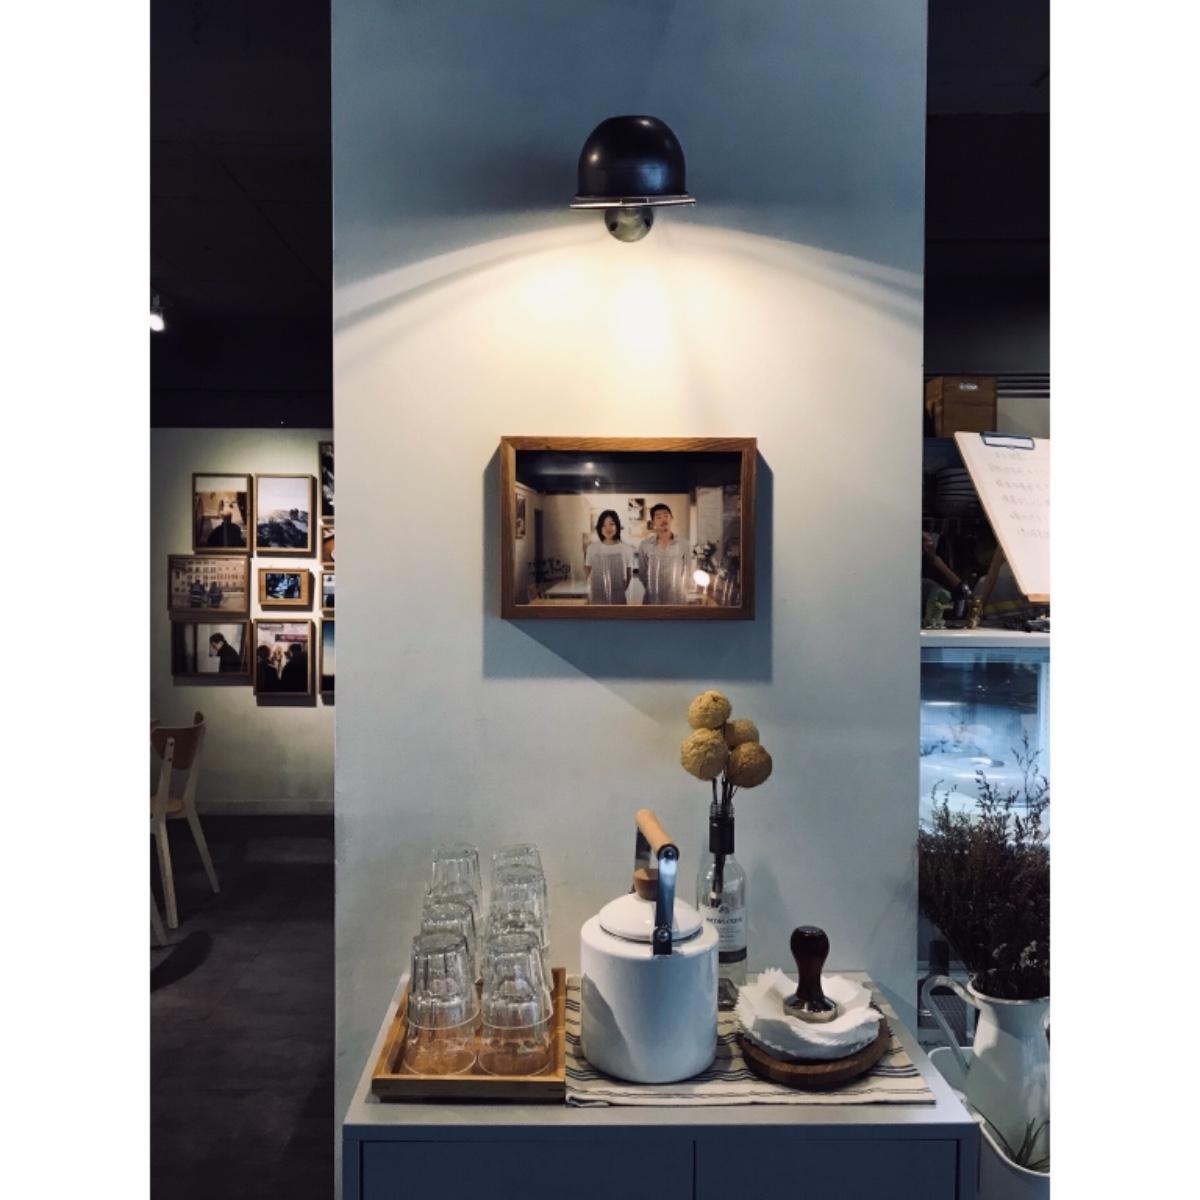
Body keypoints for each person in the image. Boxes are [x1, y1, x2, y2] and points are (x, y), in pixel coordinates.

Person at [638, 503, 691, 604]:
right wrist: (653, 588)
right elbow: (643, 574)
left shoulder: (684, 544)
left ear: (671, 518)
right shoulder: (645, 545)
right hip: (652, 599)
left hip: (677, 599)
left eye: (666, 515)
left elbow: (687, 572)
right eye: (658, 517)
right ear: (653, 522)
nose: (663, 519)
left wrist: (679, 590)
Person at [584, 510, 634, 604]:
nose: (608, 528)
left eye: (611, 524)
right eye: (604, 525)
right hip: (597, 596)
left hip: (618, 596)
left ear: (617, 526)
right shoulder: (592, 548)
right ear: (599, 528)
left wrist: (619, 590)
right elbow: (588, 572)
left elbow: (629, 575)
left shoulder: (626, 548)